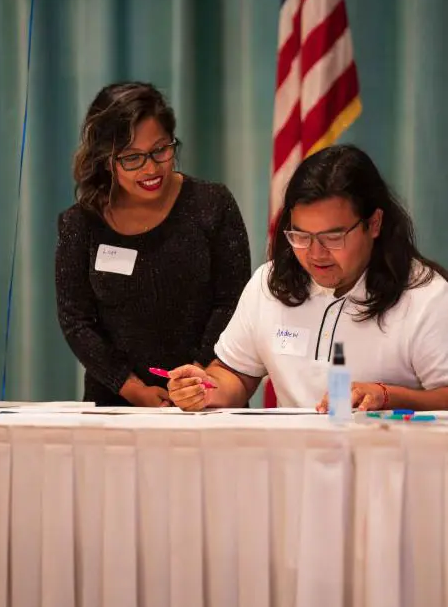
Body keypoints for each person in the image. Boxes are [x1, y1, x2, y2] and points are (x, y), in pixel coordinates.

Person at [167, 144, 448, 412]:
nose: (316, 254)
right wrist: (205, 388)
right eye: (301, 236)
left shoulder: (426, 297)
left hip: (384, 458)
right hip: (292, 458)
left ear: (373, 224)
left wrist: (387, 396)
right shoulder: (270, 283)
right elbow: (236, 375)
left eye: (333, 237)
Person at [55, 82, 251, 407]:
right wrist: (132, 388)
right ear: (106, 159)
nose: (150, 168)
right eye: (132, 158)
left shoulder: (212, 204)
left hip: (207, 395)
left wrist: (195, 377)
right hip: (117, 404)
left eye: (160, 150)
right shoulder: (81, 223)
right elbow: (76, 321)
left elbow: (232, 301)